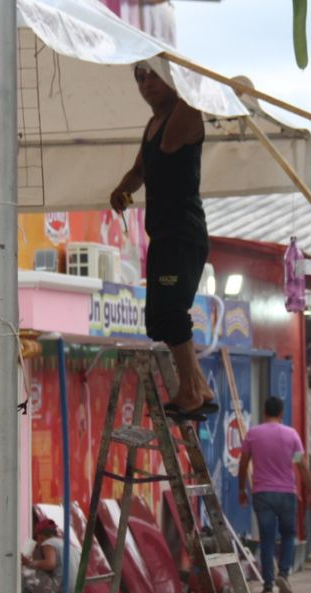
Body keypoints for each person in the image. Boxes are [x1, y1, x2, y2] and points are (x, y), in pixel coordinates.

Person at [110, 60, 216, 421]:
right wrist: (122, 188)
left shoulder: (185, 115)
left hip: (182, 233)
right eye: (140, 77)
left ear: (171, 79)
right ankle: (198, 386)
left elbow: (196, 87)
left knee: (170, 312)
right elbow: (140, 171)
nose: (146, 83)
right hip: (165, 235)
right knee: (157, 318)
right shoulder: (153, 125)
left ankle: (189, 390)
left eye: (153, 75)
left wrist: (179, 63)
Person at [238, 396, 311, 593]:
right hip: (286, 493)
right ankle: (283, 574)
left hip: (262, 494)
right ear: (281, 413)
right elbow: (301, 465)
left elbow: (243, 463)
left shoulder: (253, 435)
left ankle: (267, 586)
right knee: (289, 534)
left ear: (265, 412)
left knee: (267, 539)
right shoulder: (291, 435)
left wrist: (241, 489)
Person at [21, 518, 79, 593]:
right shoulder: (66, 544)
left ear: (40, 536)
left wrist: (29, 563)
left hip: (62, 592)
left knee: (25, 580)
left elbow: (50, 564)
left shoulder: (48, 544)